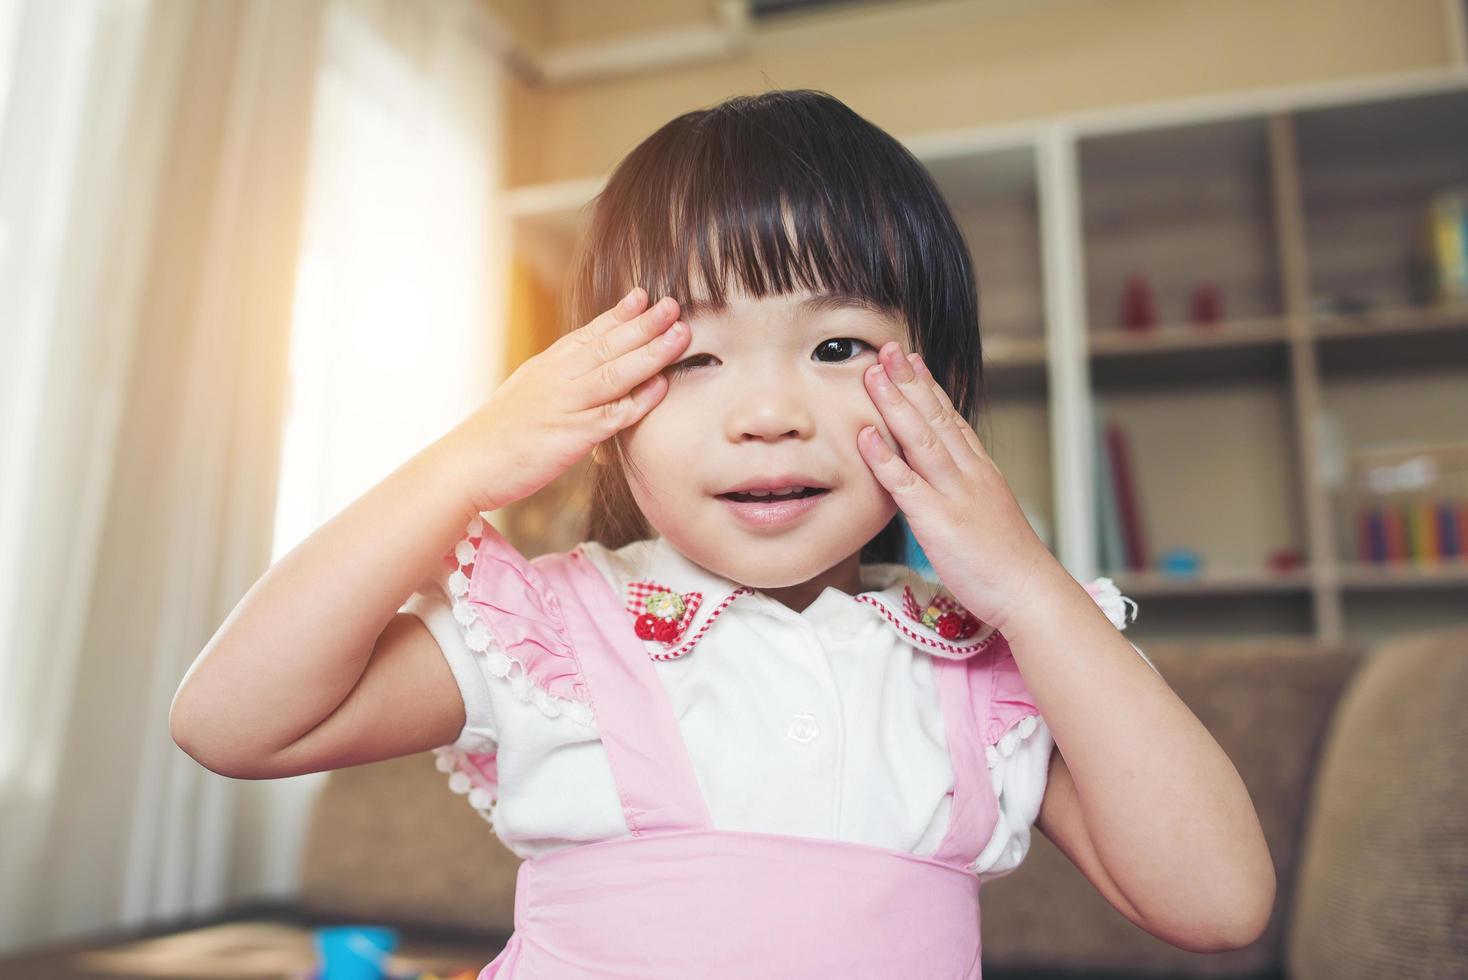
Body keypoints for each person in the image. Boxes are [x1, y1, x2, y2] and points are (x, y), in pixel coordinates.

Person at [171, 89, 1275, 978]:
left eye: (838, 346)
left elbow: (1218, 905)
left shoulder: (981, 660)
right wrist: (466, 461)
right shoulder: (558, 630)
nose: (766, 413)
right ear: (601, 419)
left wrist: (1030, 589)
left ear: (942, 385)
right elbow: (232, 722)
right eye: (689, 357)